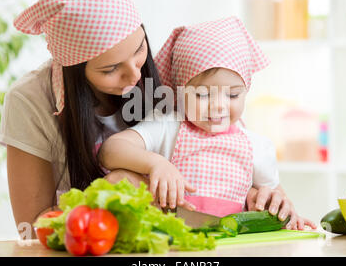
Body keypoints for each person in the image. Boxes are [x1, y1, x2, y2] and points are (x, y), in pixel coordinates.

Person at [100, 17, 316, 230]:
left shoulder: (257, 146)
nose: (218, 106)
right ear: (180, 92)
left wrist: (289, 212)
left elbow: (276, 196)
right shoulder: (168, 125)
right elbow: (110, 150)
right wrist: (156, 164)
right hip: (170, 231)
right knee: (119, 178)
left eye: (232, 95)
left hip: (233, 240)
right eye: (202, 95)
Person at [0, 0, 163, 238]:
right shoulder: (29, 101)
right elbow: (31, 229)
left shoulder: (163, 72)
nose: (134, 75)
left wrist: (259, 188)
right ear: (73, 70)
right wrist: (106, 195)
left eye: (139, 49)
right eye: (110, 69)